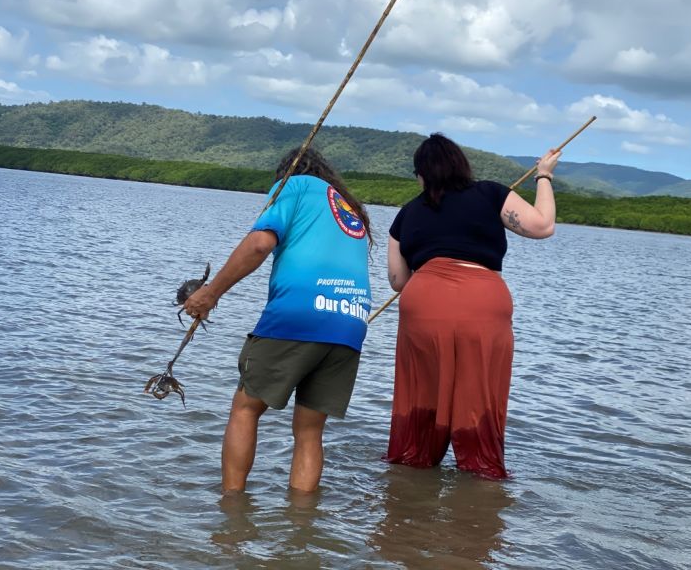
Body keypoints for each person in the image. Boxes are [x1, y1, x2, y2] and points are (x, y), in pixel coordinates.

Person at [183, 147, 373, 493]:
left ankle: (231, 510)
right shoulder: (349, 207)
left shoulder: (294, 185)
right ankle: (301, 524)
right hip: (350, 321)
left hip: (301, 312)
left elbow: (259, 245)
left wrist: (211, 292)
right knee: (310, 430)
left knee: (246, 407)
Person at [384, 133, 561, 479]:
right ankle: (480, 474)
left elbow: (398, 281)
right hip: (483, 302)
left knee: (421, 392)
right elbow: (543, 226)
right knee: (479, 394)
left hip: (424, 304)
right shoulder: (491, 193)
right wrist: (544, 175)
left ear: (422, 174)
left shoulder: (406, 214)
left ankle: (411, 468)